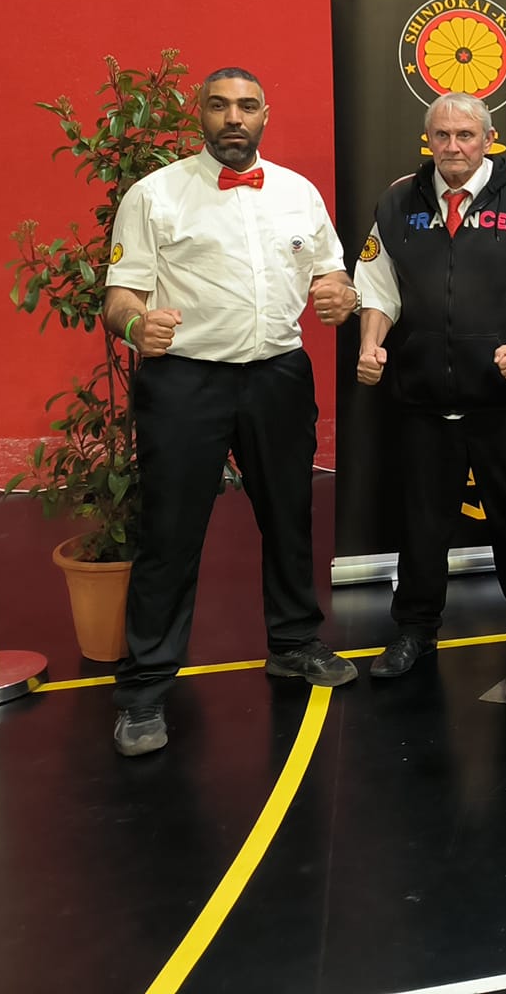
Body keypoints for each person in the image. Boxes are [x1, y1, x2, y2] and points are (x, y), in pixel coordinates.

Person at [103, 67, 360, 757]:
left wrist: (341, 295)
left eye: (247, 106)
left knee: (290, 517)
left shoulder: (299, 193)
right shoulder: (154, 195)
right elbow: (120, 296)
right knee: (171, 533)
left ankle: (294, 643)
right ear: (201, 115)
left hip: (278, 374)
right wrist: (136, 327)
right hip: (185, 382)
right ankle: (145, 687)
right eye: (220, 106)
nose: (234, 118)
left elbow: (331, 272)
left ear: (265, 115)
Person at [351, 93, 506, 678]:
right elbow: (377, 289)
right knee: (421, 527)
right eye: (442, 136)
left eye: (466, 136)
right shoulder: (398, 200)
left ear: (488, 139)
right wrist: (371, 344)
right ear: (428, 139)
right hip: (424, 401)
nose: (453, 147)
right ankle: (415, 630)